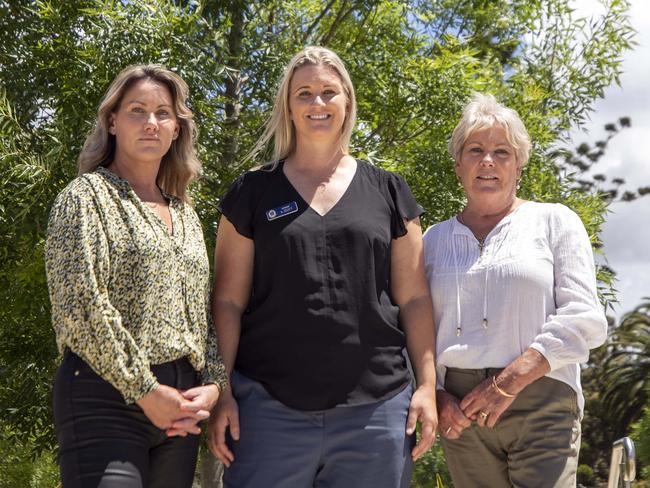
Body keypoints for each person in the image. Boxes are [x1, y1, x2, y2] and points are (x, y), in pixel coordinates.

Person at [208, 46, 437, 487]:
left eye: (329, 92)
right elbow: (228, 301)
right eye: (304, 94)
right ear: (287, 107)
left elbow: (414, 297)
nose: (318, 104)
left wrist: (426, 386)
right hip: (267, 410)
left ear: (347, 102)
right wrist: (222, 393)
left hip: (377, 410)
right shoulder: (252, 193)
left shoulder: (389, 191)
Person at [45, 64, 228, 488]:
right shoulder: (86, 197)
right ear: (112, 121)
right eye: (137, 110)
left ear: (177, 128)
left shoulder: (186, 215)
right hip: (105, 397)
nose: (151, 123)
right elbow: (80, 307)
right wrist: (144, 390)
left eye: (163, 113)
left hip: (179, 408)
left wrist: (215, 385)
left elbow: (203, 314)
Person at [423, 93, 608, 487]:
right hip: (461, 408)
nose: (487, 161)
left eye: (502, 152)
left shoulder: (554, 221)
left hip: (541, 392)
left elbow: (584, 317)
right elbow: (414, 327)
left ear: (519, 166)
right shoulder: (430, 241)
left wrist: (509, 381)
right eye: (475, 150)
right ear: (458, 165)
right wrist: (436, 395)